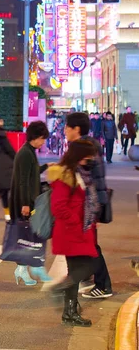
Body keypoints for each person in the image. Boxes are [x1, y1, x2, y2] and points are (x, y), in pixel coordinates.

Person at [49, 140, 98, 327]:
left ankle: (69, 313)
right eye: (88, 156)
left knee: (77, 270)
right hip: (72, 231)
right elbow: (58, 206)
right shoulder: (66, 176)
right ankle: (61, 289)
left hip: (80, 230)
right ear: (79, 156)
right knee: (89, 265)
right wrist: (76, 221)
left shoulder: (80, 174)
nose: (91, 159)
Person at [65, 112, 113, 299]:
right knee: (88, 245)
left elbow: (94, 180)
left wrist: (96, 210)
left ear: (76, 129)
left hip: (87, 206)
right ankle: (95, 280)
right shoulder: (87, 145)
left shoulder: (83, 148)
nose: (65, 131)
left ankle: (103, 285)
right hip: (88, 206)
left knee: (90, 246)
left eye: (67, 127)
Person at [9, 120, 51, 285]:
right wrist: (25, 204)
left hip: (29, 201)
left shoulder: (30, 151)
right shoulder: (25, 153)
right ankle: (22, 269)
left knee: (33, 236)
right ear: (35, 137)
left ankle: (34, 267)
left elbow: (32, 172)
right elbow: (23, 181)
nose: (43, 142)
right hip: (24, 203)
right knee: (27, 237)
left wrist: (47, 166)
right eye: (42, 138)